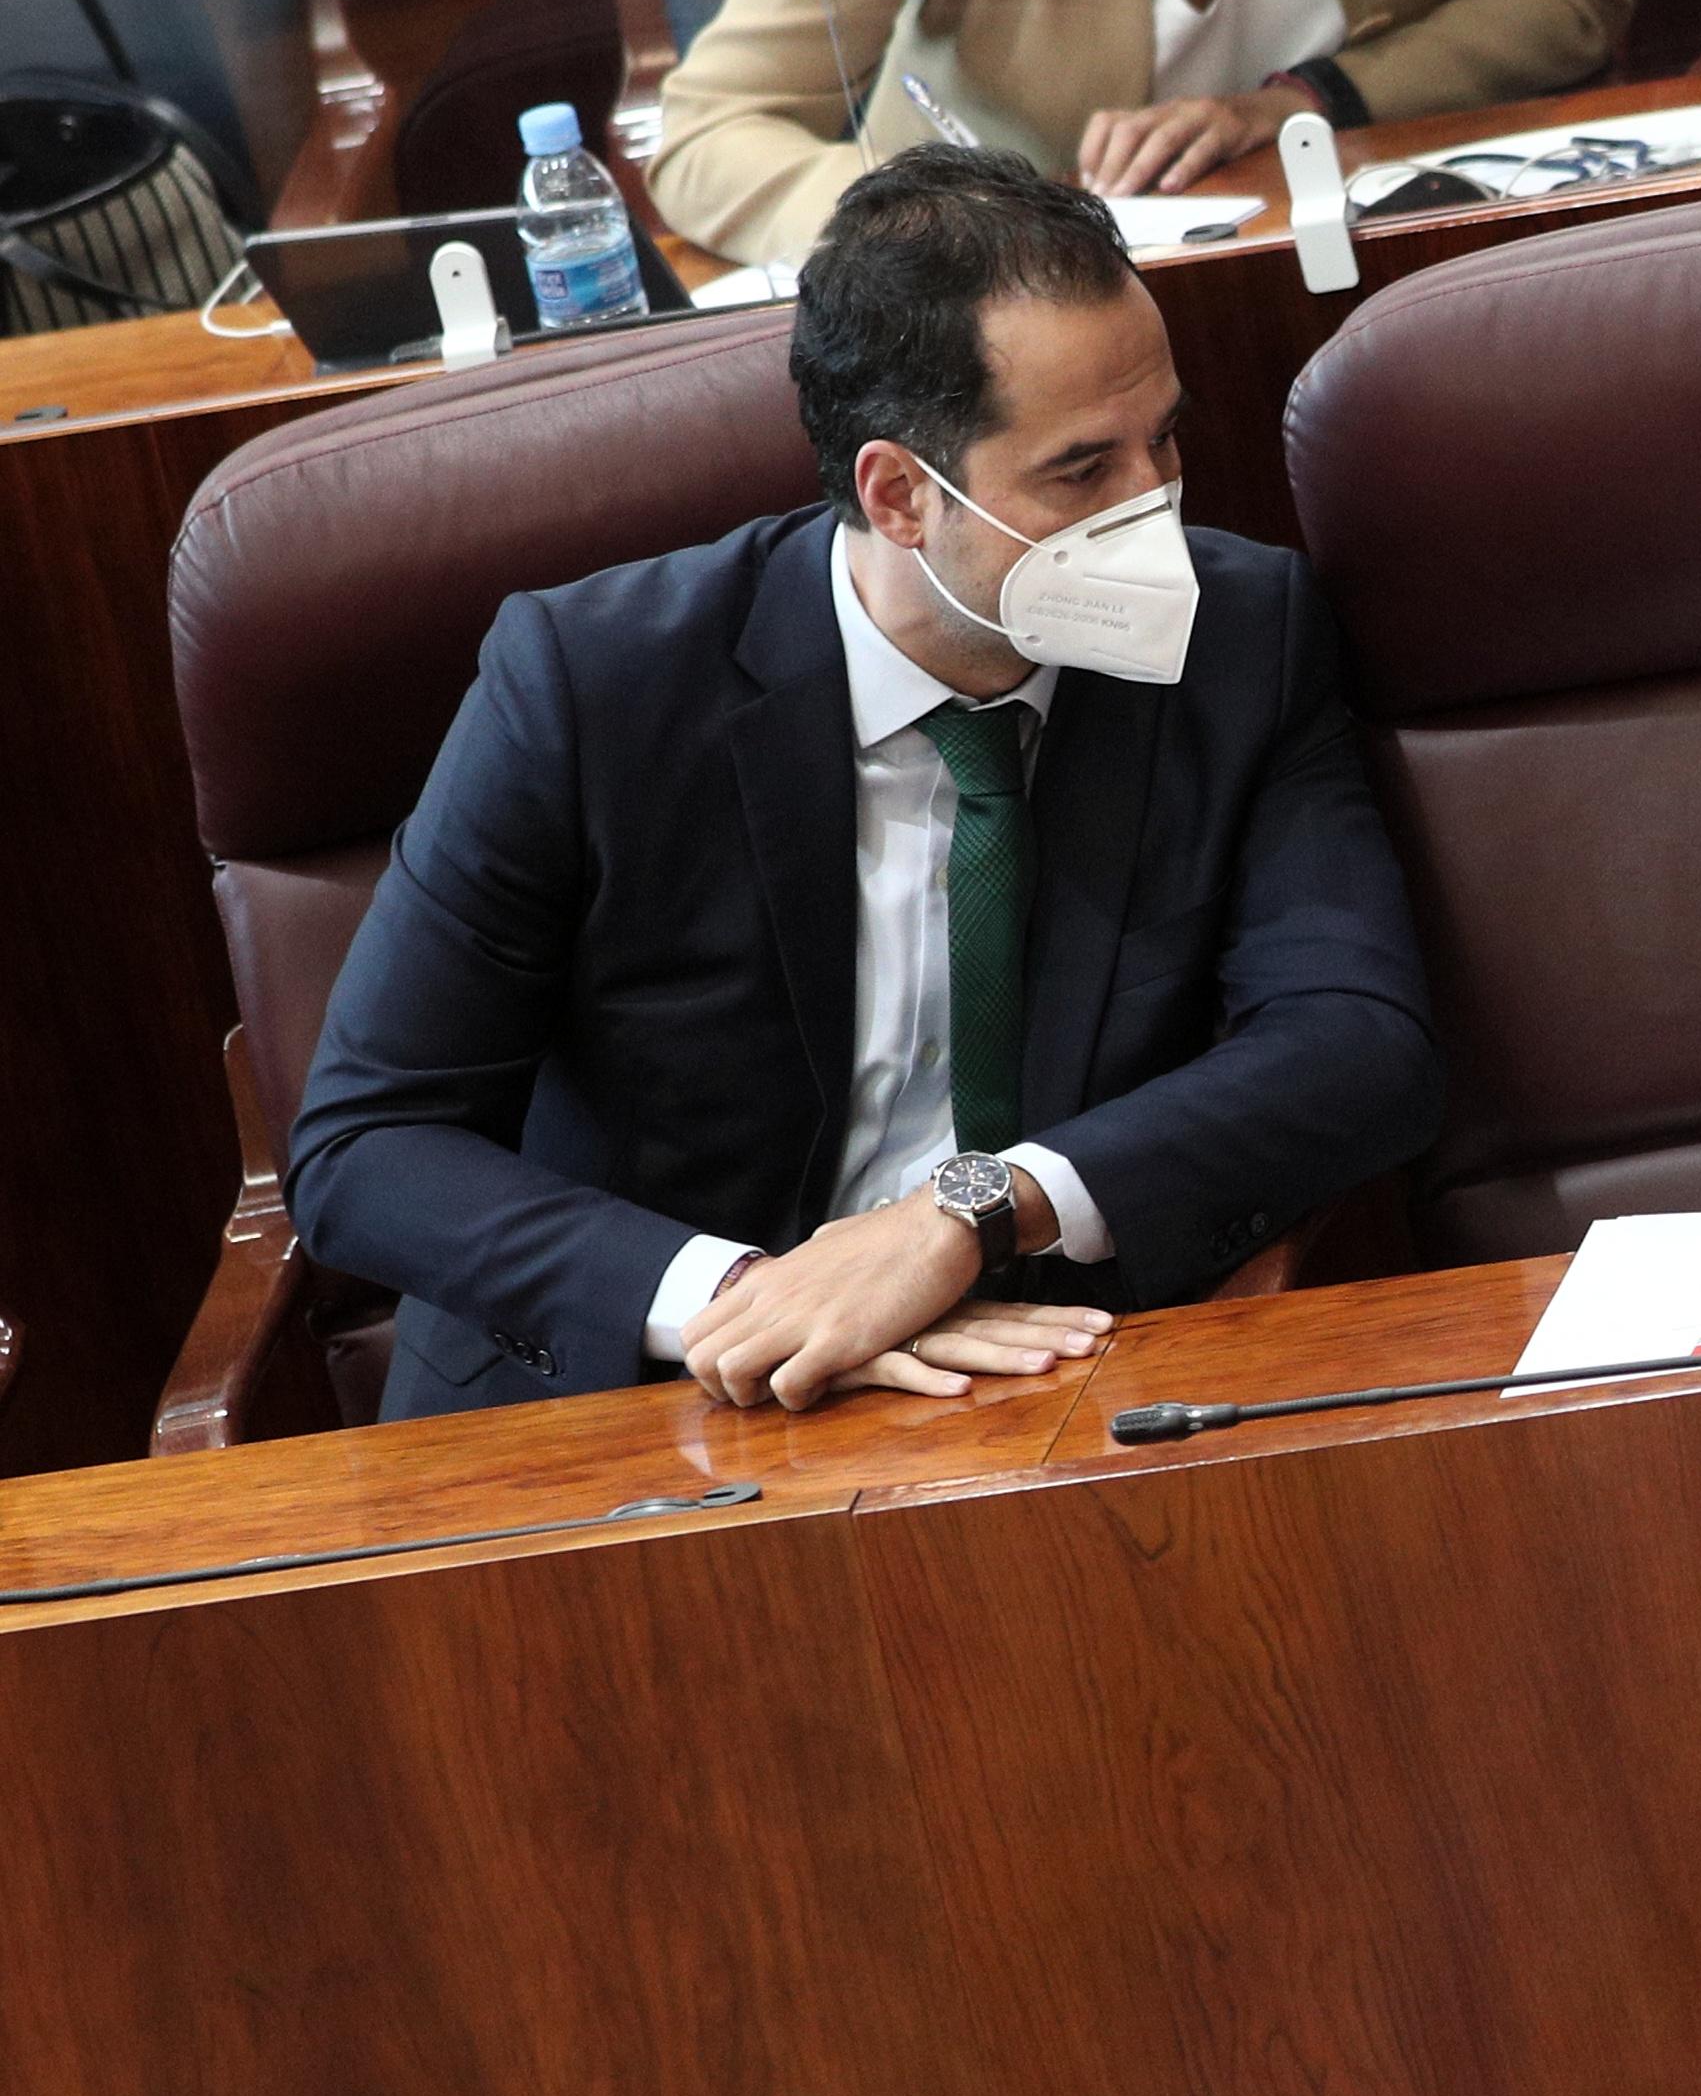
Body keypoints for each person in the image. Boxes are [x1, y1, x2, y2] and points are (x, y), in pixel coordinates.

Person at [293, 145, 1444, 1420]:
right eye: (1081, 470)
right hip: (638, 1399)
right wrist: (755, 1299)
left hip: (1037, 1371)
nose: (1152, 507)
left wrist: (968, 1216)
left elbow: (1357, 1041)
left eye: (1161, 440)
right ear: (898, 494)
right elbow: (366, 1146)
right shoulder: (590, 685)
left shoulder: (1237, 637)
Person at [650, 0, 1631, 271]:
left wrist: (1313, 99)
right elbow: (712, 129)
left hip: (1363, 268)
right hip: (1010, 344)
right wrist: (949, 228)